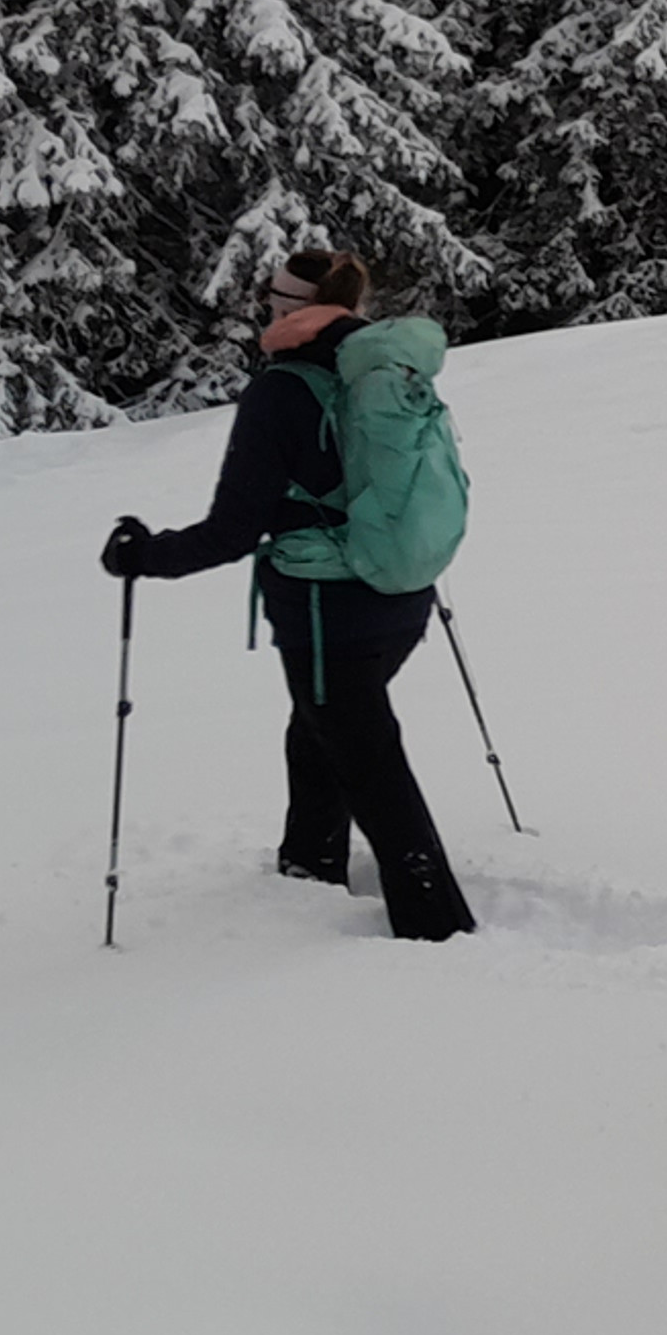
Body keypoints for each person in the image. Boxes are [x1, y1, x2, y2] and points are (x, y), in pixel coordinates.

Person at [101, 251, 477, 942]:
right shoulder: (382, 371)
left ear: (286, 308)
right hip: (401, 598)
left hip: (326, 612)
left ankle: (437, 928)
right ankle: (308, 869)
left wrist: (143, 557)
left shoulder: (281, 392)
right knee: (319, 731)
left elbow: (232, 529)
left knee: (368, 763)